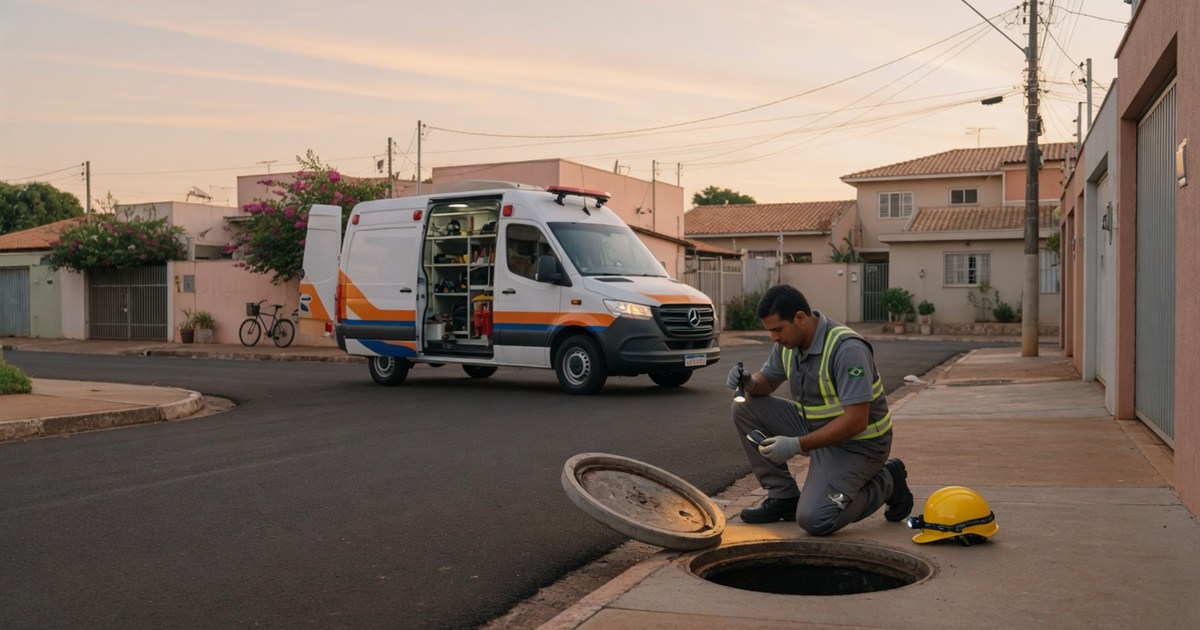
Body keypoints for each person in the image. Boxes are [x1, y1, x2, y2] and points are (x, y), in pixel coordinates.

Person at [728, 284, 912, 536]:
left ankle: (888, 481)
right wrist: (748, 382)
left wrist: (796, 445)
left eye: (777, 329)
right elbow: (768, 382)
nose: (774, 337)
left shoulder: (847, 349)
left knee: (816, 519)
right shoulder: (787, 345)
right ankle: (783, 497)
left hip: (860, 445)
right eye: (770, 331)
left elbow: (857, 421)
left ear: (800, 318)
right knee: (746, 406)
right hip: (817, 430)